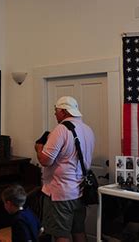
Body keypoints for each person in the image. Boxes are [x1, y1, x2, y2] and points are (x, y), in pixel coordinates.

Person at [34, 96, 95, 242]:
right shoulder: (88, 130)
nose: (55, 114)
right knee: (79, 231)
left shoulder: (60, 130)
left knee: (61, 235)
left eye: (56, 111)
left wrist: (38, 148)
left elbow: (45, 160)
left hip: (60, 192)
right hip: (80, 191)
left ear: (63, 111)